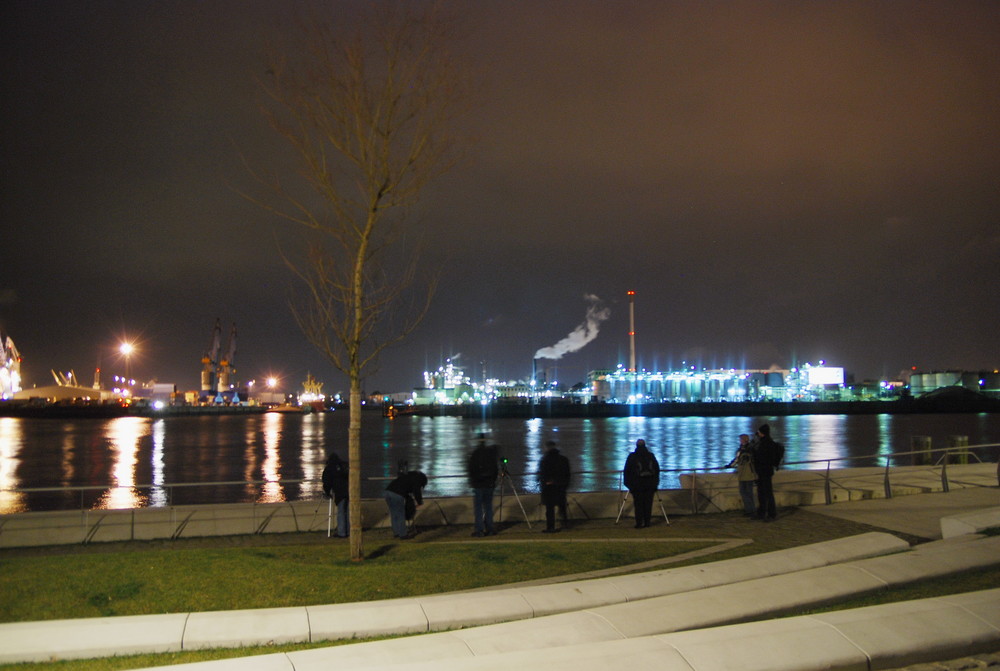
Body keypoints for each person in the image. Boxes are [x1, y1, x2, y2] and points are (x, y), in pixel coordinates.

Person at [623, 439, 660, 528]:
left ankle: (639, 523)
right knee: (648, 504)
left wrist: (629, 485)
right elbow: (657, 470)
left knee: (638, 504)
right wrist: (655, 484)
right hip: (649, 484)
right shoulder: (651, 456)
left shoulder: (632, 457)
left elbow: (627, 471)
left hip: (637, 485)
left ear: (636, 446)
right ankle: (647, 522)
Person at [467, 436, 499, 537]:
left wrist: (473, 481)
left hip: (478, 485)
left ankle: (479, 530)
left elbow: (471, 469)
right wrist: (493, 481)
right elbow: (495, 469)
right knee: (488, 507)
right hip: (489, 484)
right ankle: (490, 529)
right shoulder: (491, 454)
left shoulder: (475, 454)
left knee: (478, 508)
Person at [538, 440, 571, 533]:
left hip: (549, 488)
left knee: (550, 509)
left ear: (546, 448)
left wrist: (544, 484)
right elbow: (567, 474)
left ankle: (550, 527)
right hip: (561, 486)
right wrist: (565, 484)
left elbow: (542, 474)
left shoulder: (545, 460)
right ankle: (565, 524)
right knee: (562, 506)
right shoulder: (563, 459)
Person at [384, 470, 428, 539]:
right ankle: (403, 534)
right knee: (401, 514)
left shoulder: (407, 476)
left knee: (394, 514)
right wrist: (419, 502)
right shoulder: (417, 479)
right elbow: (417, 492)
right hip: (397, 494)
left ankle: (396, 533)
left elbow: (405, 488)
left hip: (388, 492)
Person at [752, 424, 782, 521]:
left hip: (764, 470)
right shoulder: (768, 442)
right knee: (763, 492)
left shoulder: (765, 444)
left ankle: (769, 514)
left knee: (766, 493)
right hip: (765, 471)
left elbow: (761, 457)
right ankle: (765, 513)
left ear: (762, 433)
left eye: (759, 432)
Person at [726, 434, 757, 516]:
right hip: (750, 473)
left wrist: (729, 465)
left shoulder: (742, 450)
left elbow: (736, 460)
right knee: (749, 492)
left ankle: (749, 510)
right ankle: (751, 509)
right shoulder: (752, 449)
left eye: (741, 439)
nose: (740, 441)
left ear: (743, 440)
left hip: (744, 473)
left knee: (744, 492)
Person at [321, 452, 350, 537]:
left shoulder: (329, 469)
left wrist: (327, 492)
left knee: (341, 512)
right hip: (349, 491)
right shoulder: (344, 466)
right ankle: (348, 531)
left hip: (339, 492)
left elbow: (327, 482)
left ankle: (342, 533)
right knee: (347, 512)